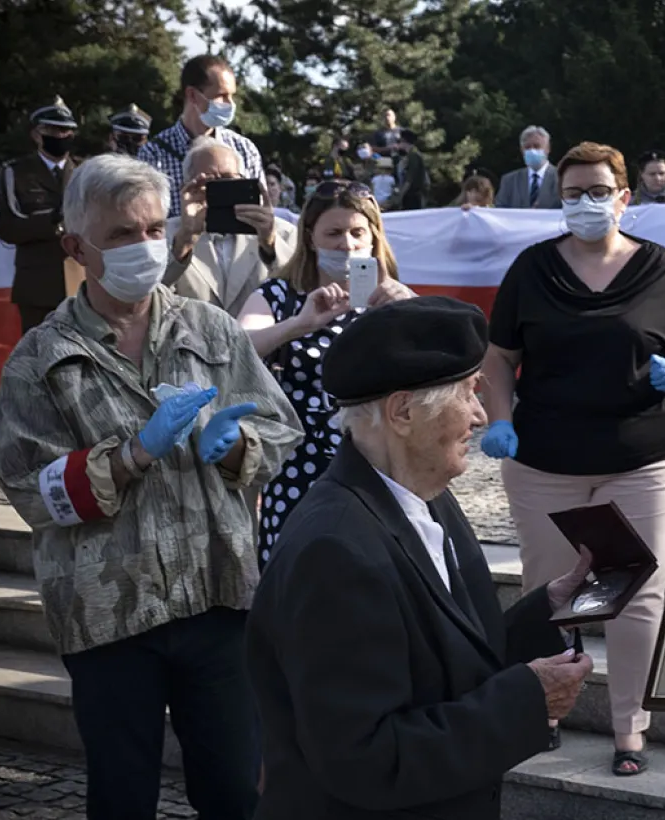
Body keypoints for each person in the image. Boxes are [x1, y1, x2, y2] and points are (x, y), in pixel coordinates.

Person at [0, 153, 303, 820]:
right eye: (121, 234)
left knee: (234, 791)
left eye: (154, 229)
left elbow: (281, 430)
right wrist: (130, 456)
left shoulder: (210, 328)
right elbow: (29, 489)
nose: (144, 246)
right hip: (109, 613)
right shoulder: (40, 360)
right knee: (122, 796)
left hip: (218, 596)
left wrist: (236, 444)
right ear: (76, 247)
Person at [246, 296, 595, 819]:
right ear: (403, 413)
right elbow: (364, 758)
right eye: (468, 393)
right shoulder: (334, 551)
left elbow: (447, 654)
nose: (481, 415)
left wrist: (547, 610)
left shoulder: (426, 497)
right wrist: (528, 700)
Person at [480, 142, 665, 775]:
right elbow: (499, 356)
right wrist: (499, 419)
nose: (586, 202)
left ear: (624, 197)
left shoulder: (657, 267)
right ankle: (544, 711)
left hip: (643, 458)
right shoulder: (533, 269)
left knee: (636, 593)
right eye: (574, 193)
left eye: (599, 191)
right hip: (544, 461)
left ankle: (630, 727)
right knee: (549, 593)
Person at [237, 179, 416, 566]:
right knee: (296, 578)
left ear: (374, 237)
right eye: (333, 233)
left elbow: (442, 367)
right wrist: (299, 324)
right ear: (310, 237)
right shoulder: (279, 296)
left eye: (357, 233)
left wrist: (413, 312)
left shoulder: (391, 299)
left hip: (377, 468)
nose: (346, 244)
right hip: (298, 470)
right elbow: (238, 346)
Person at [164, 137, 297, 316]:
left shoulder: (284, 233)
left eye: (229, 179)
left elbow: (300, 292)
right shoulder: (165, 234)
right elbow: (150, 298)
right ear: (187, 187)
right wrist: (184, 243)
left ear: (244, 181)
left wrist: (270, 245)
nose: (222, 188)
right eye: (208, 182)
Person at [139, 54, 263, 218]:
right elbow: (148, 218)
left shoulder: (244, 149)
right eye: (221, 96)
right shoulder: (154, 154)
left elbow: (260, 210)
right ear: (192, 95)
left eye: (232, 96)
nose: (230, 104)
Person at [0, 96, 78, 333]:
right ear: (36, 135)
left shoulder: (86, 171)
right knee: (38, 353)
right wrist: (53, 220)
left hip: (80, 286)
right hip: (37, 287)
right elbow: (8, 228)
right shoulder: (15, 172)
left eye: (65, 130)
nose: (60, 136)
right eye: (52, 130)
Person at [496, 125, 560, 208]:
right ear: (521, 150)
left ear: (548, 148)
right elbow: (499, 211)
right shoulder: (509, 181)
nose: (532, 151)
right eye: (527, 147)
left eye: (537, 146)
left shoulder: (562, 178)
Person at [396, 129, 429, 210]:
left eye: (399, 141)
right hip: (413, 193)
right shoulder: (412, 154)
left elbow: (410, 178)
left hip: (413, 194)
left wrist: (401, 195)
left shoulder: (413, 155)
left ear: (404, 141)